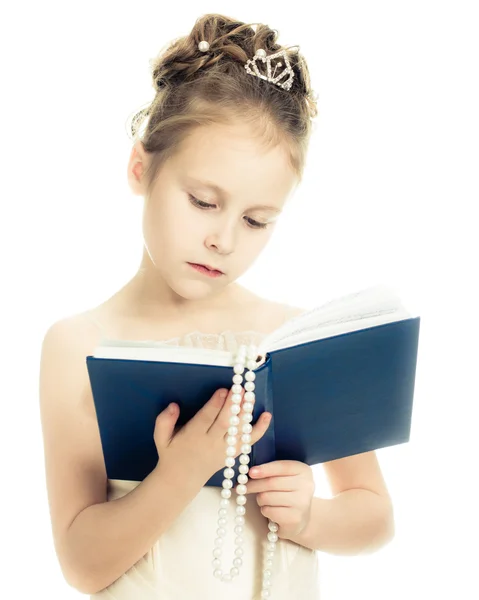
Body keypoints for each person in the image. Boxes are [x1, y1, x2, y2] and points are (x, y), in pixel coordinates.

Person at [39, 13, 324, 600]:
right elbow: (81, 565)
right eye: (202, 201)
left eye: (256, 220)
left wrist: (308, 517)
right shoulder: (80, 344)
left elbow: (376, 517)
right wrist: (181, 472)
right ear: (141, 167)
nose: (224, 239)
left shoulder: (291, 336)